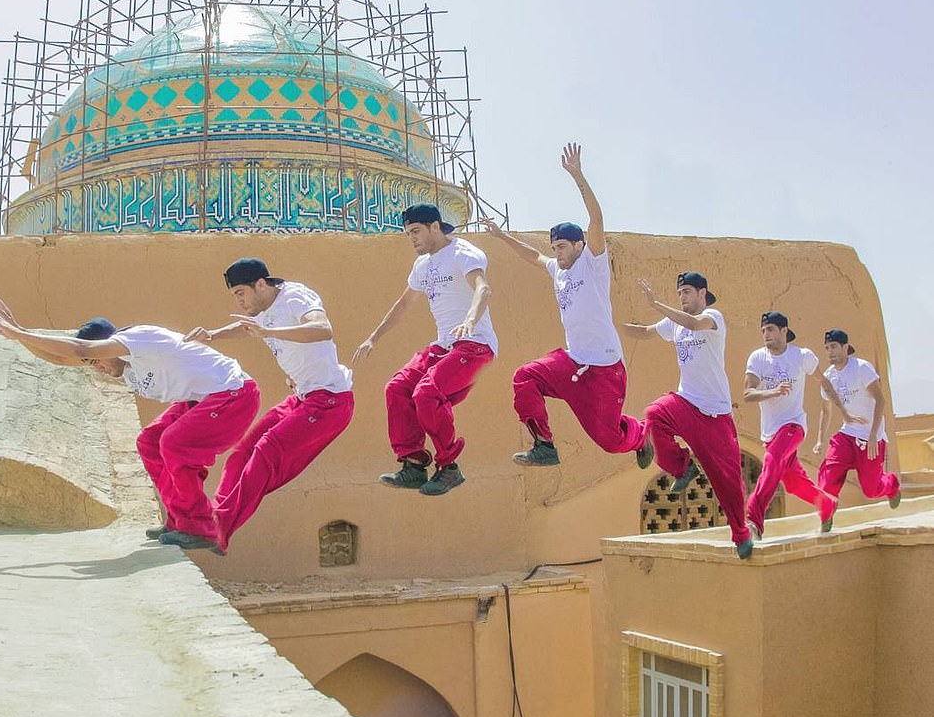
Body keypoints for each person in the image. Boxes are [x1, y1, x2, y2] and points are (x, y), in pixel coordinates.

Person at [0, 294, 259, 551]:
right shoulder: (122, 365)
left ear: (108, 345)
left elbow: (80, 349)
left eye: (96, 361)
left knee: (174, 443)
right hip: (202, 398)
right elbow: (61, 359)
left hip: (234, 393)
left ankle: (201, 527)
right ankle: (179, 520)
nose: (98, 367)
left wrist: (21, 332)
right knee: (150, 442)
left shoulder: (141, 338)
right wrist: (19, 336)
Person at [483, 142, 651, 468]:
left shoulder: (593, 263)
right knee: (525, 378)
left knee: (610, 442)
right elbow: (533, 256)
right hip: (573, 363)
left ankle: (641, 434)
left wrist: (577, 175)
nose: (557, 253)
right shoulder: (556, 270)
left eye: (562, 247)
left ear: (579, 245)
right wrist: (501, 236)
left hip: (604, 370)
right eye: (555, 247)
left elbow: (597, 218)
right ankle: (544, 445)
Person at [183, 258, 354, 554]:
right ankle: (212, 518)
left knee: (267, 450)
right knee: (242, 451)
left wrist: (270, 333)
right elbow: (245, 327)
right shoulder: (263, 309)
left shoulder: (296, 296)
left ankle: (219, 528)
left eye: (240, 293)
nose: (239, 301)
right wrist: (212, 335)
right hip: (303, 398)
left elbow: (322, 328)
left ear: (261, 284)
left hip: (330, 401)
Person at [353, 203, 495, 496]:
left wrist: (470, 320)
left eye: (416, 231)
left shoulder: (463, 253)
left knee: (426, 393)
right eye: (408, 234)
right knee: (397, 388)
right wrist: (373, 338)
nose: (412, 238)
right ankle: (414, 463)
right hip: (443, 346)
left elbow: (483, 288)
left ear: (435, 226)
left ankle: (450, 466)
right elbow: (404, 304)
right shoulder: (423, 265)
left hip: (475, 345)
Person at [623, 273, 752, 559]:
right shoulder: (673, 324)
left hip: (715, 415)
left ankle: (741, 534)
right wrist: (612, 326)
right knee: (654, 414)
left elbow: (694, 323)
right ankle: (682, 467)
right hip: (686, 402)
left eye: (687, 292)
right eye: (679, 292)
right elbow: (645, 332)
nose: (682, 297)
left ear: (702, 293)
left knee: (728, 483)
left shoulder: (712, 317)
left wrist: (656, 303)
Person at [742, 312, 860, 539]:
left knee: (772, 460)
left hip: (794, 426)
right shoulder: (757, 358)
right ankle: (826, 504)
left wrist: (843, 410)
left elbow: (823, 380)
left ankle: (754, 520)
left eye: (771, 329)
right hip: (770, 433)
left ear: (784, 331)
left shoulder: (802, 356)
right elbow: (748, 393)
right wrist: (773, 391)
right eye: (763, 330)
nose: (766, 334)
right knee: (795, 484)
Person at [814, 328, 901, 508]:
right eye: (827, 348)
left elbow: (880, 400)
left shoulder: (862, 368)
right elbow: (826, 409)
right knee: (828, 477)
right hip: (847, 435)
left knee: (871, 490)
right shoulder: (829, 376)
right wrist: (820, 440)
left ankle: (891, 484)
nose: (830, 352)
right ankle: (827, 508)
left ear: (845, 347)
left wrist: (873, 436)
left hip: (870, 437)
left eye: (834, 347)